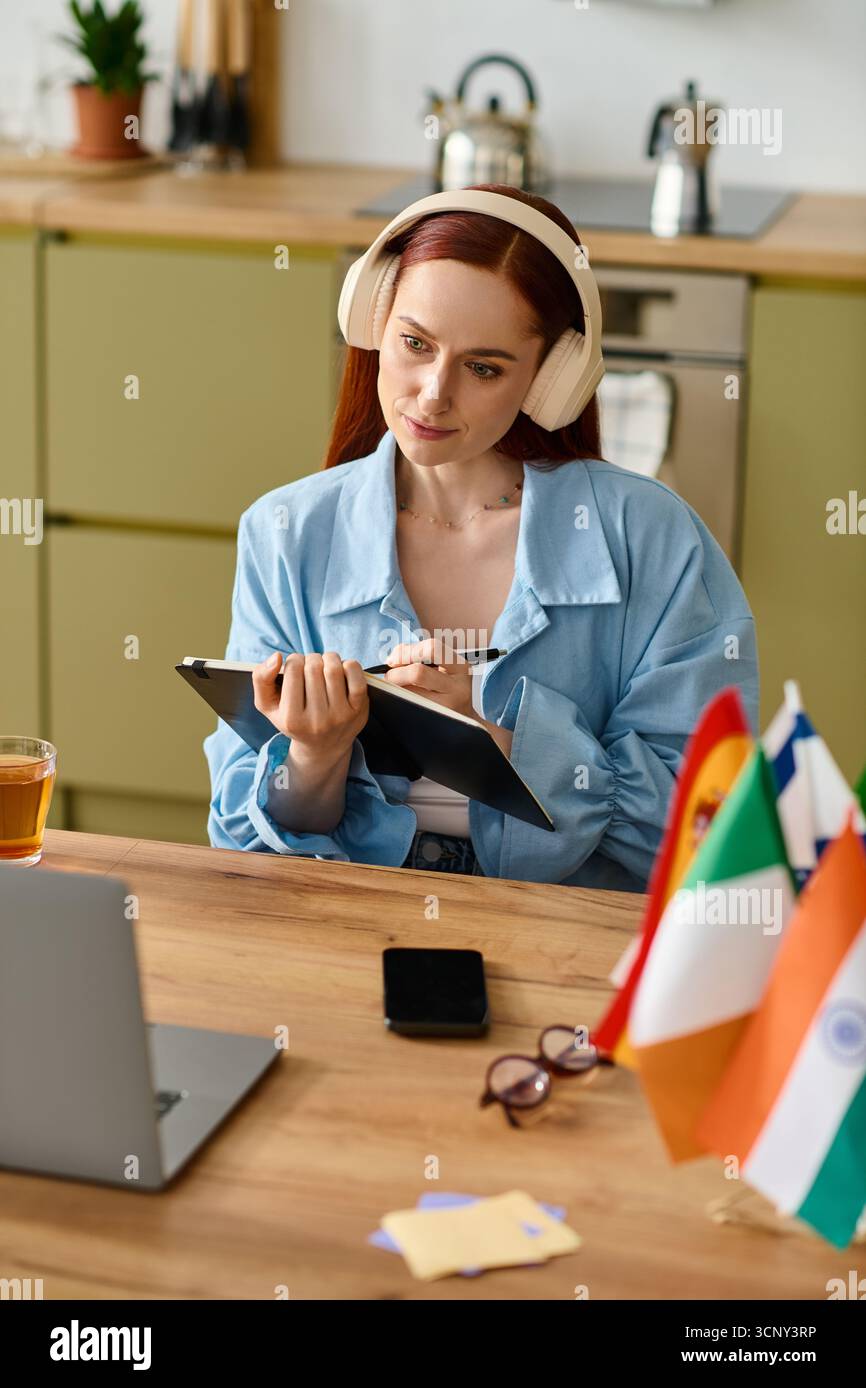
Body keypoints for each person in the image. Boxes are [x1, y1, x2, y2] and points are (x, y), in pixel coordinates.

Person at [204, 184, 758, 890]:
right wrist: (315, 754)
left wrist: (488, 742)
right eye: (414, 344)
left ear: (549, 380)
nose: (433, 393)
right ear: (374, 325)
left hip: (579, 932)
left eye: (483, 367)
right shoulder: (286, 534)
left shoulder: (654, 539)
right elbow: (238, 841)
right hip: (349, 924)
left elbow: (709, 834)